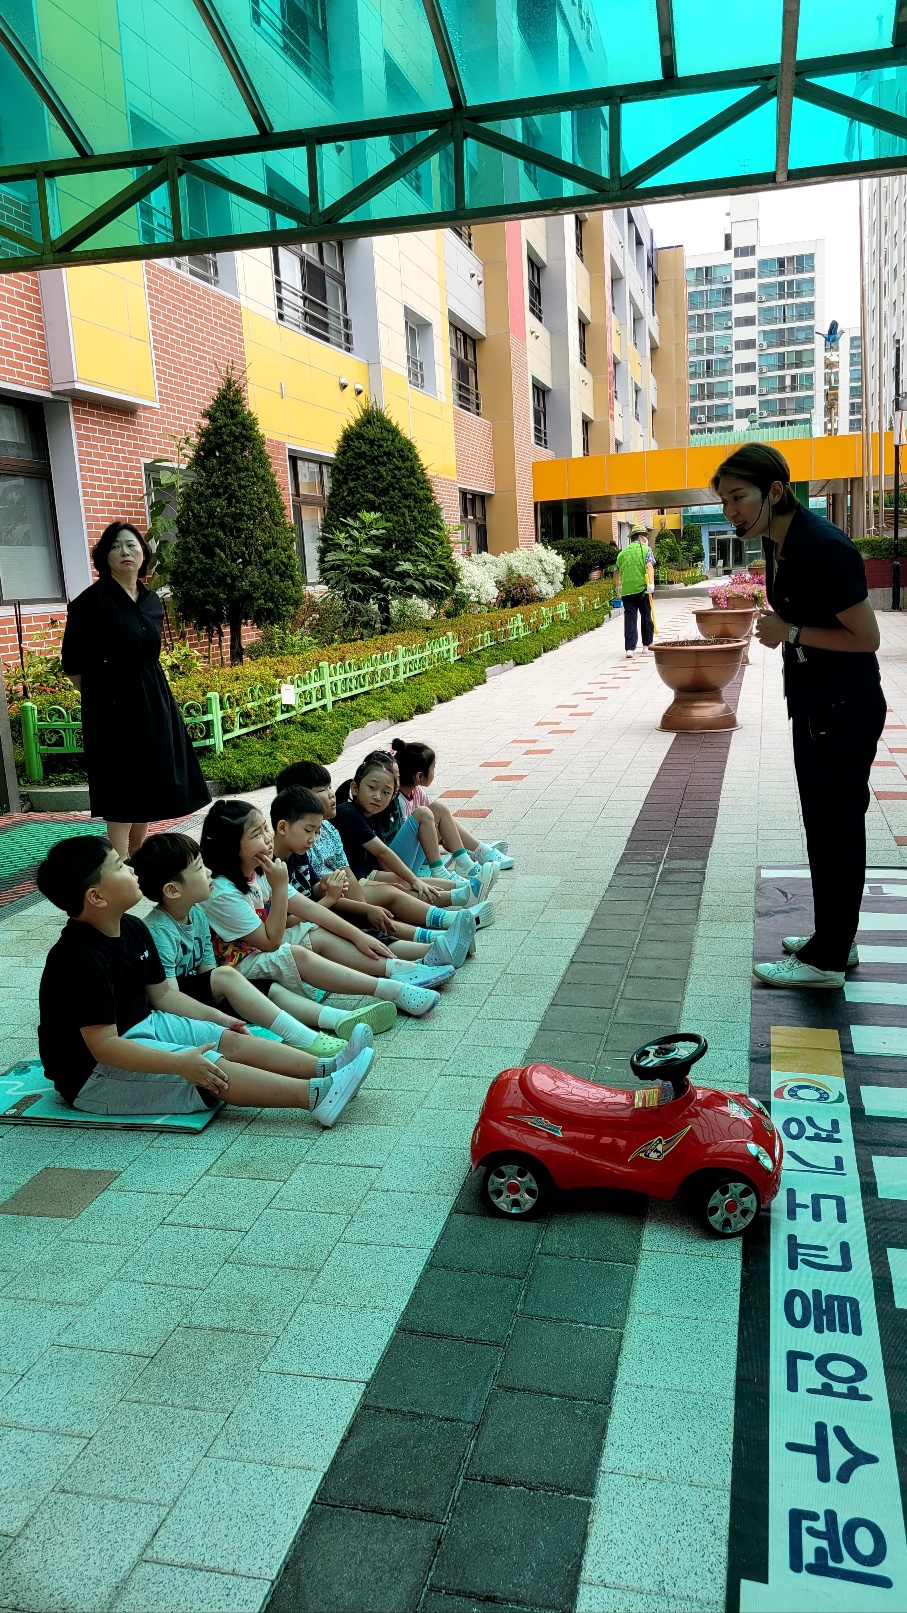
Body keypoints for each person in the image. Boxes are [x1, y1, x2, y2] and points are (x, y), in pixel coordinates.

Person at [35, 837, 372, 1127]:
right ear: (97, 897)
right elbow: (104, 1046)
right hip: (95, 1073)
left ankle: (326, 1067)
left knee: (227, 1039)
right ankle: (317, 1096)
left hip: (143, 1026)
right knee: (208, 1069)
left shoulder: (133, 929)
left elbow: (164, 995)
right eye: (118, 867)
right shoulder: (76, 959)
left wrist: (220, 1019)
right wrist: (179, 1062)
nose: (130, 868)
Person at [712, 444, 884, 990]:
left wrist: (791, 633)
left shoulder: (823, 547)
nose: (730, 511)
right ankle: (833, 937)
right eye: (724, 502)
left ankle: (826, 960)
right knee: (824, 827)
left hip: (843, 708)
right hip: (815, 706)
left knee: (836, 828)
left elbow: (867, 638)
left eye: (738, 497)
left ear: (776, 492)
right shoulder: (777, 543)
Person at [200, 798, 446, 1018]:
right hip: (234, 967)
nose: (267, 837)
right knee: (295, 953)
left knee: (314, 929)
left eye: (265, 827)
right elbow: (270, 943)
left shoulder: (259, 871)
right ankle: (390, 989)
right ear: (231, 847)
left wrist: (358, 936)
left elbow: (309, 909)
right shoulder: (223, 892)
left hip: (256, 948)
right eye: (256, 834)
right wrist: (279, 888)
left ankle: (396, 969)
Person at [131, 831, 363, 1053]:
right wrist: (217, 1017)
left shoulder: (198, 914)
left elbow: (207, 972)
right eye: (200, 868)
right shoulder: (159, 931)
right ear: (172, 890)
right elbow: (167, 999)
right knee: (229, 977)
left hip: (195, 996)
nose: (210, 872)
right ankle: (304, 1038)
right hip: (174, 1009)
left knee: (263, 989)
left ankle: (337, 1018)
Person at [61, 522, 209, 859]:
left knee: (149, 771)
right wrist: (103, 699)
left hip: (153, 696)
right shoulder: (91, 603)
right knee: (121, 777)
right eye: (116, 547)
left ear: (143, 554)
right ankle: (119, 857)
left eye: (132, 546)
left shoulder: (151, 600)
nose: (125, 552)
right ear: (104, 556)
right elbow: (73, 664)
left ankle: (139, 850)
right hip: (111, 702)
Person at [274, 761, 491, 947]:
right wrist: (364, 909)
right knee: (392, 893)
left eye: (388, 791)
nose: (331, 795)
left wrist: (363, 909)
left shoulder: (328, 828)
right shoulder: (313, 834)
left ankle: (455, 906)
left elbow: (346, 870)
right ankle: (446, 925)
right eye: (322, 790)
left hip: (342, 891)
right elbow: (379, 853)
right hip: (333, 898)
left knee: (394, 890)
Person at [335, 755, 497, 932]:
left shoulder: (373, 813)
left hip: (365, 872)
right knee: (397, 887)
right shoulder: (348, 813)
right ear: (355, 788)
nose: (378, 796)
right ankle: (459, 901)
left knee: (399, 880)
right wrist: (412, 880)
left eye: (386, 792)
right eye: (372, 788)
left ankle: (467, 889)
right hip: (352, 879)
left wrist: (409, 879)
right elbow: (382, 852)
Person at [390, 738, 515, 871]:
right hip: (407, 859)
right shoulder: (398, 801)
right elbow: (406, 836)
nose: (434, 772)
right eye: (433, 768)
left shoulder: (416, 791)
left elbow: (442, 819)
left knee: (440, 816)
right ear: (419, 776)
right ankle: (476, 852)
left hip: (419, 848)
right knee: (439, 814)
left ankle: (473, 852)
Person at [613, 524, 656, 657]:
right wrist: (652, 584)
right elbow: (649, 566)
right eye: (645, 536)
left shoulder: (621, 554)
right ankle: (646, 646)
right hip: (643, 589)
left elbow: (616, 572)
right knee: (646, 616)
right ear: (640, 537)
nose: (646, 538)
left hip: (627, 591)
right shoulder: (646, 550)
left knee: (630, 619)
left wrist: (618, 586)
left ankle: (629, 649)